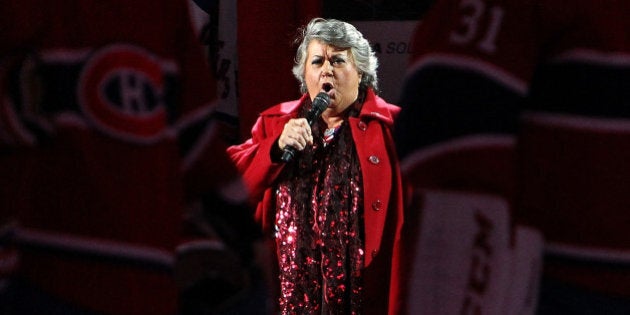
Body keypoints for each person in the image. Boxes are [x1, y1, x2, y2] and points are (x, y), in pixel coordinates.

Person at [0, 0, 254, 314]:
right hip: (42, 272)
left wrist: (249, 239)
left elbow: (197, 144)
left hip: (144, 278)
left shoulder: (164, 13)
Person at [227, 17, 405, 314]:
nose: (326, 70)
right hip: (289, 297)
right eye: (317, 61)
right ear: (304, 75)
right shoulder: (276, 124)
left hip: (364, 295)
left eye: (337, 60)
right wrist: (274, 148)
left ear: (360, 72)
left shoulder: (393, 129)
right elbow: (226, 181)